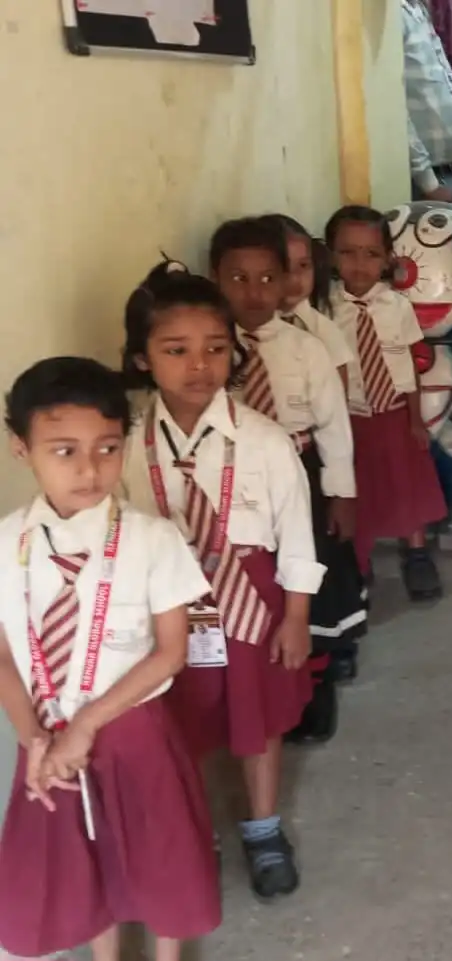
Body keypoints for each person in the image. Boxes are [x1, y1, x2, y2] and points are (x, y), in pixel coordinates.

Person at [0, 357, 220, 961]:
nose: (90, 469)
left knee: (161, 854)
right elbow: (3, 655)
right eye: (64, 451)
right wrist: (34, 739)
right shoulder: (6, 543)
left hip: (133, 732)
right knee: (86, 861)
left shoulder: (153, 539)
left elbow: (171, 652)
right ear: (22, 449)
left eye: (107, 447)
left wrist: (88, 725)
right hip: (46, 736)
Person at [119, 267, 321, 900]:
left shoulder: (263, 440)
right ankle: (192, 828)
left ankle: (263, 828)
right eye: (175, 350)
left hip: (252, 594)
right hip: (165, 602)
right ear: (142, 358)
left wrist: (296, 616)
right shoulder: (126, 445)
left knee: (258, 717)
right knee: (179, 717)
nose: (199, 365)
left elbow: (296, 533)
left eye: (214, 347)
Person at [209, 220, 364, 732]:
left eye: (267, 279)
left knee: (312, 578)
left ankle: (315, 684)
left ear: (285, 282)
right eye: (238, 279)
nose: (254, 293)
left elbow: (334, 425)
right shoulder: (211, 353)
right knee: (260, 586)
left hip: (304, 474)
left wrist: (341, 492)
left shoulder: (306, 348)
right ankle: (262, 685)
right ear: (214, 279)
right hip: (238, 483)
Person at [325, 205, 448, 599]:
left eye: (371, 254)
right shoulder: (325, 311)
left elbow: (409, 365)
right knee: (357, 489)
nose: (359, 264)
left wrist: (415, 419)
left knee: (404, 484)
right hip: (350, 417)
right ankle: (358, 562)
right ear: (331, 256)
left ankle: (417, 553)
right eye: (347, 252)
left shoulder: (397, 307)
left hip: (394, 413)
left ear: (387, 259)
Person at [276, 216, 356, 395]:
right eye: (282, 266)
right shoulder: (245, 329)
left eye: (303, 265)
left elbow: (340, 394)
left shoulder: (324, 330)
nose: (295, 277)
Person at [401, 0, 452, 204]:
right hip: (425, 182)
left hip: (448, 172)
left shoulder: (418, 10)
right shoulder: (396, 15)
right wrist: (428, 183)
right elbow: (394, 110)